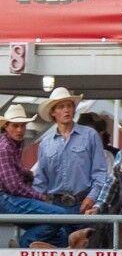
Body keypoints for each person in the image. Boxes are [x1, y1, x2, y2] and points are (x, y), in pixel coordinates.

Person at [0, 104, 72, 246]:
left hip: (9, 198)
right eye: (15, 126)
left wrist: (27, 174)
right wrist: (40, 196)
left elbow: (17, 175)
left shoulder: (13, 145)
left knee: (60, 233)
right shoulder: (5, 148)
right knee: (60, 215)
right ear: (6, 127)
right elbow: (13, 186)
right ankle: (23, 246)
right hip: (6, 198)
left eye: (22, 126)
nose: (20, 130)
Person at [33, 87, 109, 217]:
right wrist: (36, 201)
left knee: (85, 237)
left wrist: (91, 197)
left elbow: (100, 172)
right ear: (53, 112)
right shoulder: (45, 143)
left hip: (84, 204)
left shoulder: (90, 135)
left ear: (74, 109)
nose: (66, 110)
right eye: (61, 107)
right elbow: (41, 179)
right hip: (55, 205)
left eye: (69, 106)